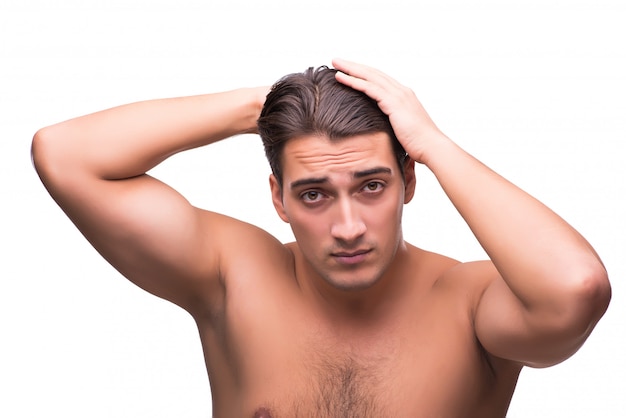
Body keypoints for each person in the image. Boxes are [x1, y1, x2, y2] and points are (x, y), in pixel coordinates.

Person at [31, 58, 611, 417]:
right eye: (313, 194)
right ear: (278, 198)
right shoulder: (234, 278)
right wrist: (265, 108)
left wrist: (431, 142)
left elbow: (576, 287)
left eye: (371, 186)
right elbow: (66, 156)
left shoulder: (469, 303)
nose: (349, 226)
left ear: (409, 181)